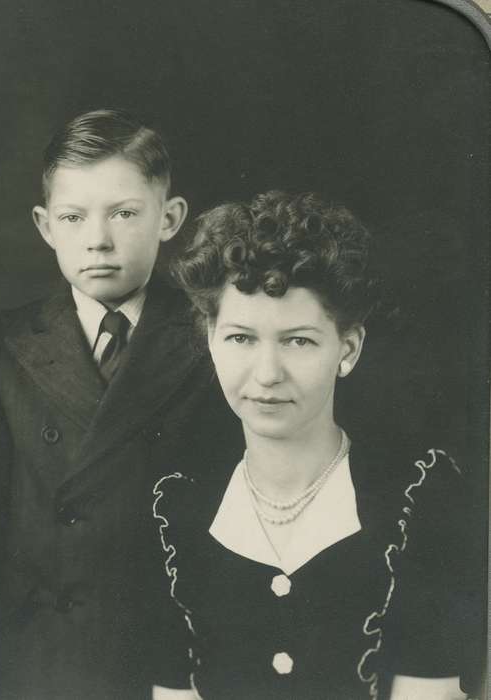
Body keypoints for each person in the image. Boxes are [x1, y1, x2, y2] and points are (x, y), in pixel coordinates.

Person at [0, 109, 240, 698]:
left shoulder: (218, 339)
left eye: (125, 213)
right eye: (73, 217)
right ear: (45, 225)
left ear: (170, 217)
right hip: (34, 659)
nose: (98, 239)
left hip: (164, 658)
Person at [152, 190, 483, 699]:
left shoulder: (420, 498)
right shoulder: (174, 509)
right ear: (210, 339)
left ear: (347, 349)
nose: (266, 374)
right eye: (241, 338)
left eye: (298, 340)